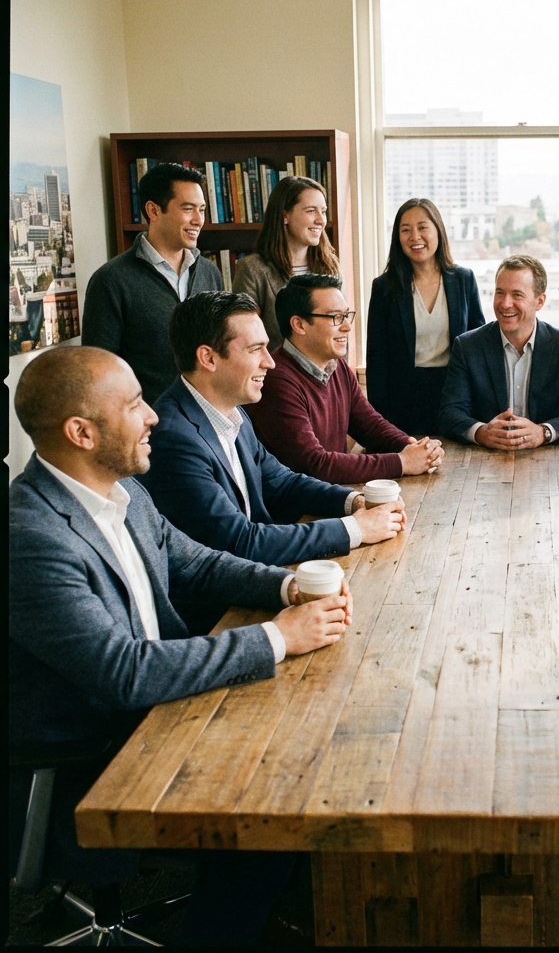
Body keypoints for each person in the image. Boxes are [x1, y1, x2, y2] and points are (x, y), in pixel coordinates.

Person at [9, 346, 353, 945]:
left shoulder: (122, 492)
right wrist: (279, 636)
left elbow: (196, 565)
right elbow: (123, 672)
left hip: (159, 716)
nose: (155, 417)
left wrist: (289, 585)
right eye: (136, 404)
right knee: (271, 824)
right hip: (91, 759)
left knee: (316, 751)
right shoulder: (31, 537)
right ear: (81, 432)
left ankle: (273, 909)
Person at [140, 292, 405, 612]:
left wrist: (353, 502)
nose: (270, 361)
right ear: (208, 358)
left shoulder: (230, 410)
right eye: (255, 350)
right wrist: (357, 528)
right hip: (222, 613)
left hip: (263, 580)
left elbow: (282, 482)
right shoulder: (174, 438)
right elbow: (241, 542)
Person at [248, 274, 445, 484]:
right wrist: (402, 462)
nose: (347, 327)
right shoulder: (277, 379)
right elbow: (314, 464)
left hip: (332, 495)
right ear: (299, 324)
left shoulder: (337, 365)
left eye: (346, 315)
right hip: (296, 513)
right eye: (335, 317)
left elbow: (369, 425)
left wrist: (412, 446)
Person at [82, 162, 223, 405]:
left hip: (210, 421)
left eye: (202, 209)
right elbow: (99, 371)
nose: (198, 220)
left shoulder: (210, 272)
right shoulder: (111, 280)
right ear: (154, 211)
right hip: (149, 428)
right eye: (188, 209)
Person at [437, 255, 559, 448]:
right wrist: (480, 432)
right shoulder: (468, 346)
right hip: (483, 460)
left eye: (517, 295)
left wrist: (542, 432)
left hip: (547, 459)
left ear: (540, 301)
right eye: (500, 293)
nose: (505, 303)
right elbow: (449, 413)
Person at [366, 198, 486, 435]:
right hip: (402, 401)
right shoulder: (384, 287)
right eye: (405, 230)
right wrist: (380, 421)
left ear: (438, 231)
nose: (415, 237)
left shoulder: (463, 280)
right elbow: (377, 357)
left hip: (454, 395)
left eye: (422, 227)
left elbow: (478, 346)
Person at [232, 175, 340, 351]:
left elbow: (339, 332)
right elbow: (245, 338)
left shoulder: (330, 267)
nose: (321, 220)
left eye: (324, 211)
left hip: (325, 376)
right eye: (311, 210)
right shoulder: (253, 269)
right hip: (274, 374)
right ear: (285, 216)